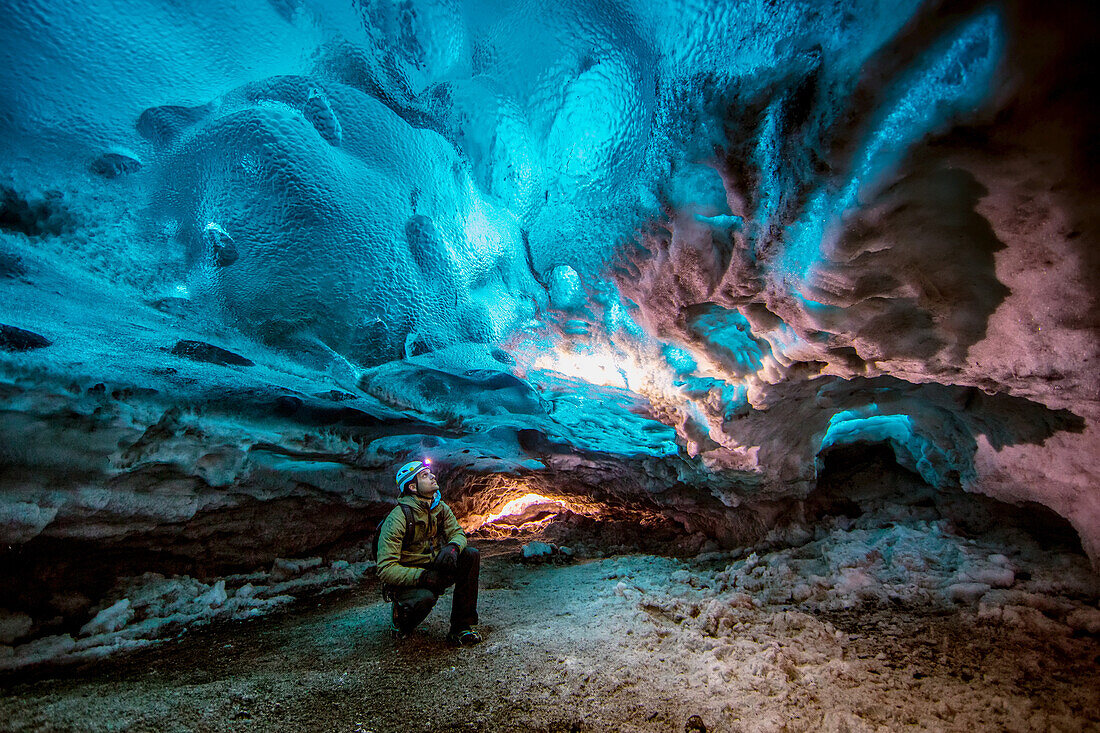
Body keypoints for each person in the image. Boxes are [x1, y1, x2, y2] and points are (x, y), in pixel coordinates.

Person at [376, 459, 482, 645]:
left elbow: (457, 533)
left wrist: (453, 547)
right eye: (424, 475)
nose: (432, 476)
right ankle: (401, 619)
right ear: (413, 487)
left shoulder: (439, 508)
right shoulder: (398, 518)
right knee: (423, 599)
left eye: (430, 473)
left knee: (470, 555)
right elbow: (386, 568)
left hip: (433, 567)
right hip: (411, 576)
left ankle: (461, 628)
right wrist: (423, 577)